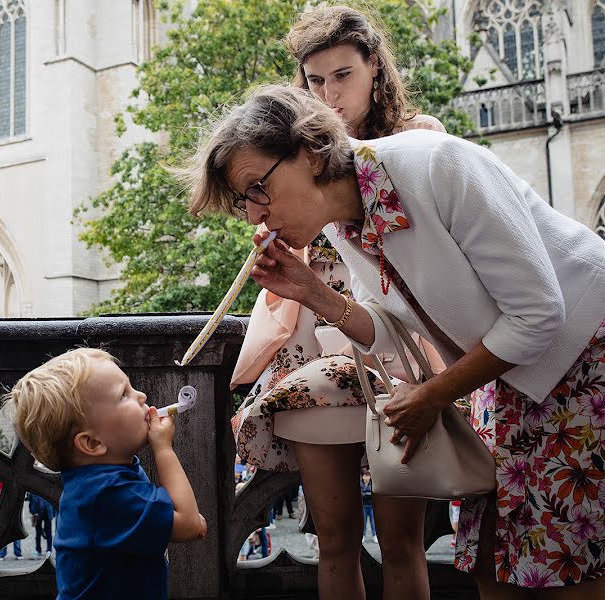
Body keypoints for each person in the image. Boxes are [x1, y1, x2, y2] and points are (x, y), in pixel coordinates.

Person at [182, 83, 605, 599]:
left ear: (311, 152)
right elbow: (388, 328)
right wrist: (313, 292)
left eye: (256, 188)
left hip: (583, 356)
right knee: (491, 559)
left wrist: (433, 394)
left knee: (568, 563)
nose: (253, 214)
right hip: (504, 373)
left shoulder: (437, 165)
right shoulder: (340, 223)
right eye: (243, 201)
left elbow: (539, 314)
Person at [229, 6, 445, 600]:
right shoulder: (294, 153)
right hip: (312, 354)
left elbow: (434, 262)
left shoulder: (417, 142)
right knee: (335, 539)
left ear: (376, 68)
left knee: (404, 543)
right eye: (315, 80)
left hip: (399, 355)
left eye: (342, 75)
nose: (328, 94)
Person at [7, 348, 207, 600]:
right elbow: (192, 527)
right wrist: (163, 449)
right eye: (124, 394)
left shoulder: (101, 479)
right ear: (91, 444)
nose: (142, 395)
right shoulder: (106, 493)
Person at [28, 492, 55, 557]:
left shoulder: (48, 488)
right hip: (37, 514)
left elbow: (53, 502)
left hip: (47, 513)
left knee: (49, 533)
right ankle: (38, 550)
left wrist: (52, 514)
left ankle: (49, 550)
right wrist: (33, 512)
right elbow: (30, 502)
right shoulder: (32, 491)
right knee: (38, 533)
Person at [360, 470, 376, 544]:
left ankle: (374, 535)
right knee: (364, 522)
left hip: (371, 506)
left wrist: (365, 494)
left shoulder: (372, 484)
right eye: (365, 476)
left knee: (373, 522)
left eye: (368, 476)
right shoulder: (361, 485)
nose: (366, 478)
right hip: (364, 506)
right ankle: (363, 536)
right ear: (362, 477)